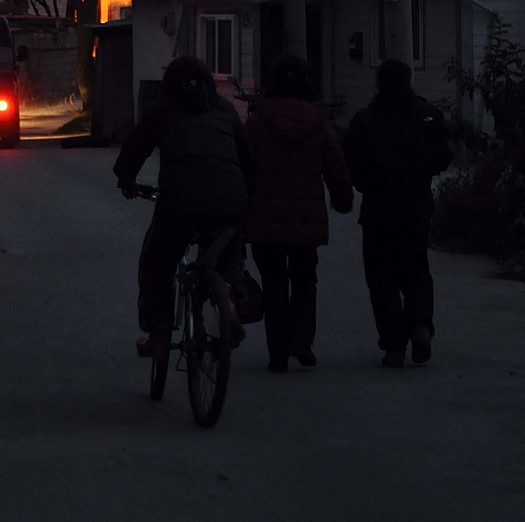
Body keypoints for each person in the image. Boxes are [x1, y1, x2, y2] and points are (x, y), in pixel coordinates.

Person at [113, 55, 251, 359]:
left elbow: (135, 149)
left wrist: (127, 179)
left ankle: (159, 333)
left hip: (179, 204)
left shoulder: (161, 110)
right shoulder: (225, 109)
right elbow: (246, 157)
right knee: (227, 250)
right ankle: (226, 296)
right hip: (229, 201)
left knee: (157, 264)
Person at [244, 54, 354, 373]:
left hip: (265, 217)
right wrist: (343, 198)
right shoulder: (319, 123)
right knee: (305, 280)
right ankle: (302, 341)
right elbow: (335, 165)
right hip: (306, 218)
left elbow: (242, 166)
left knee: (274, 282)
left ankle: (277, 353)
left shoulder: (256, 123)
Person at [342, 58, 452, 369]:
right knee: (416, 269)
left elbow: (353, 167)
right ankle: (419, 324)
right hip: (415, 206)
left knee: (381, 278)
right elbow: (442, 158)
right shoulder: (427, 115)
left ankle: (393, 345)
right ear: (408, 80)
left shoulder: (366, 120)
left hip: (378, 209)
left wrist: (370, 184)